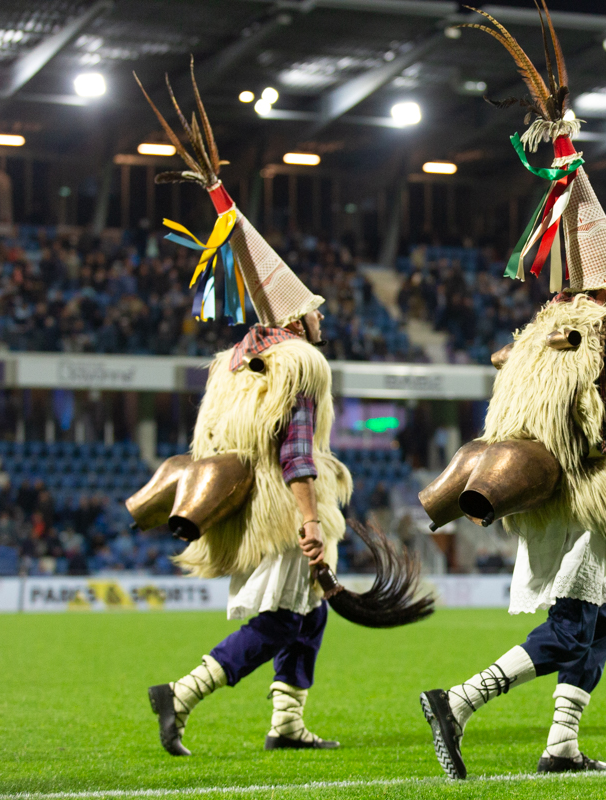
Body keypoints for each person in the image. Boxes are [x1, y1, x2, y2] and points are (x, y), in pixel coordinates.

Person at [418, 12, 606, 778]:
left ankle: (561, 745)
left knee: (599, 627)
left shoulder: (539, 338)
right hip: (592, 498)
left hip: (545, 499)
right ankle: (458, 701)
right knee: (572, 629)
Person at [133, 76, 352, 756]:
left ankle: (287, 722)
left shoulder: (235, 362)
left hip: (247, 503)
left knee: (310, 612)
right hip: (282, 509)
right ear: (295, 317)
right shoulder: (300, 365)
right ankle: (184, 691)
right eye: (313, 307)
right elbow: (295, 451)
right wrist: (311, 517)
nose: (321, 314)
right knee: (285, 618)